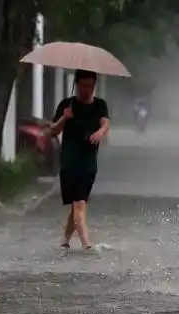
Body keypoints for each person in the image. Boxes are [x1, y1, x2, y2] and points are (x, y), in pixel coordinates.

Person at [48, 69, 110, 250]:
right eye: (83, 86)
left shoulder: (100, 105)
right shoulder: (67, 105)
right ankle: (87, 246)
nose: (86, 90)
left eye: (90, 86)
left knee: (78, 204)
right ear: (76, 85)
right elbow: (52, 131)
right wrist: (64, 118)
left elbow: (105, 122)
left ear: (94, 85)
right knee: (79, 205)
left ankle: (65, 241)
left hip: (89, 162)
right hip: (69, 162)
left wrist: (100, 132)